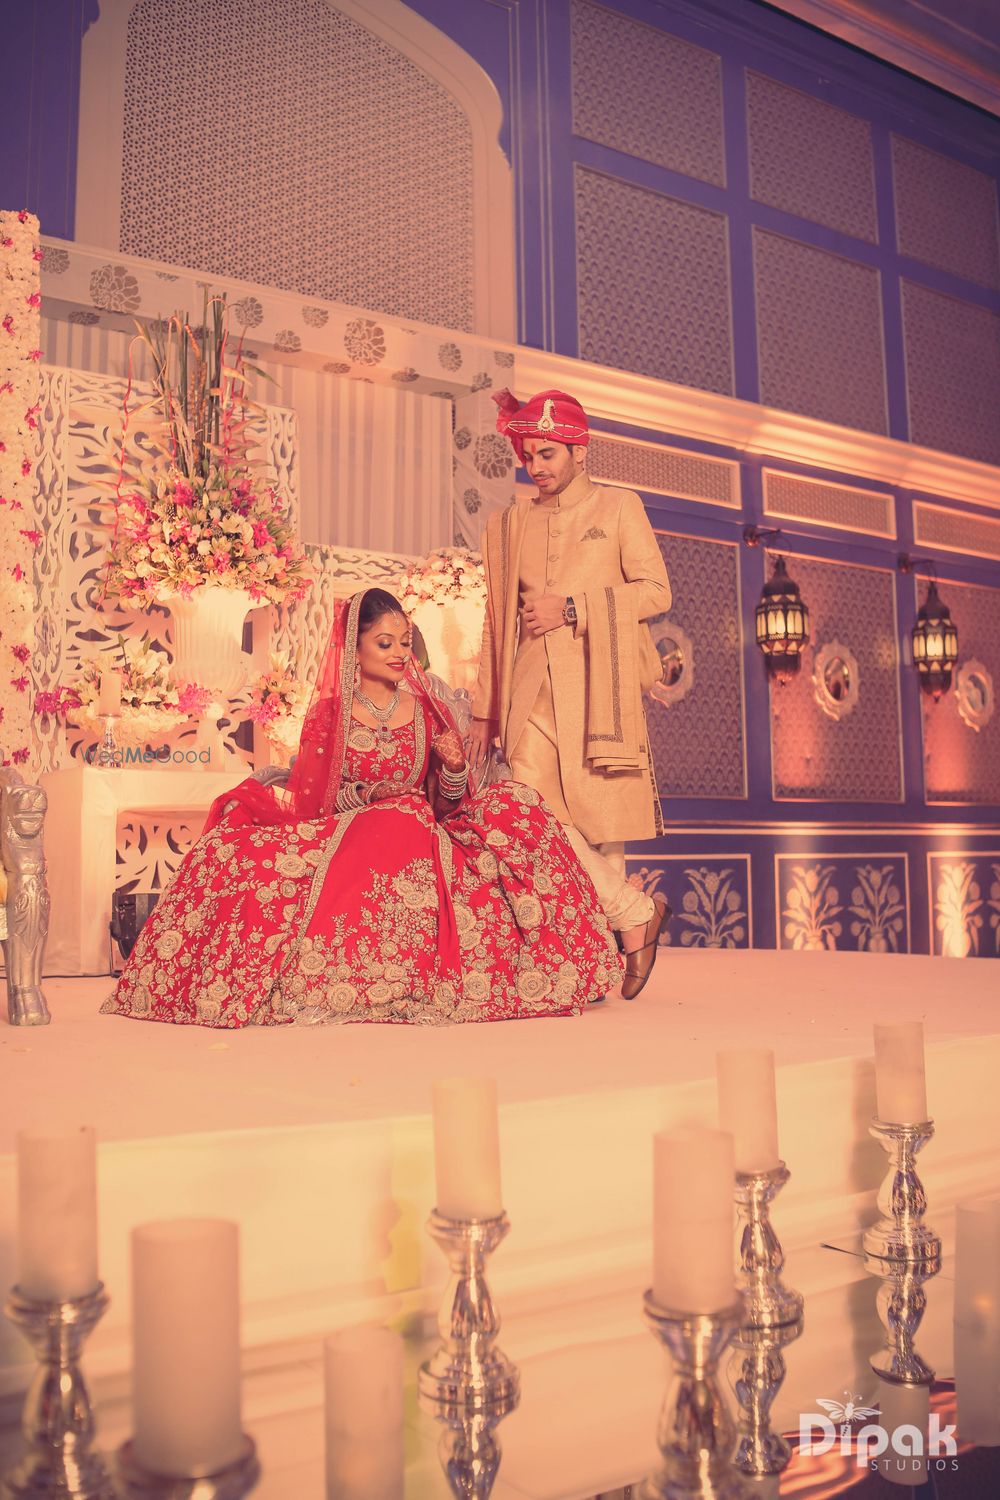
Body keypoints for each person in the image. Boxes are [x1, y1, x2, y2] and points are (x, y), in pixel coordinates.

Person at [101, 588, 620, 1027]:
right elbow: (314, 801)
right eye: (384, 642)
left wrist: (456, 767)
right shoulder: (332, 714)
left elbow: (447, 806)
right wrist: (370, 797)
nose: (399, 653)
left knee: (513, 807)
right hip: (348, 832)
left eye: (403, 642)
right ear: (355, 648)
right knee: (245, 852)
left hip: (421, 834)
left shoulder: (426, 710)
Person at [468, 389, 671, 1000]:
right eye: (529, 456)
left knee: (599, 823)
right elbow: (496, 618)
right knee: (530, 809)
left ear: (580, 450)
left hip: (597, 687)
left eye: (550, 453)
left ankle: (600, 964)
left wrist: (575, 607)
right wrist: (483, 708)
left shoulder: (617, 507)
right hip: (529, 686)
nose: (539, 466)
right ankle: (633, 914)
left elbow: (656, 591)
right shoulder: (507, 525)